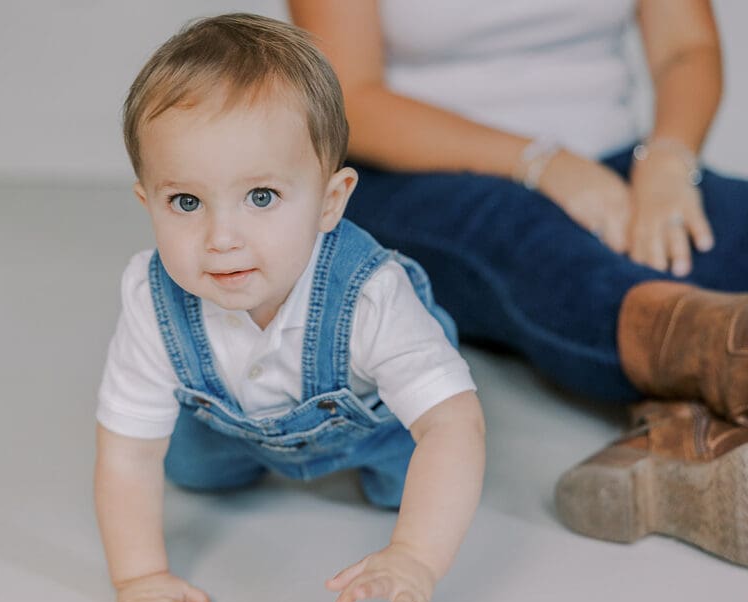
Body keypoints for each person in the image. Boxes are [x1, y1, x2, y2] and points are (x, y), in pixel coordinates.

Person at [289, 0, 748, 565]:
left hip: (615, 164)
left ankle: (679, 433)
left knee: (726, 222)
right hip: (421, 178)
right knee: (535, 244)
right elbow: (348, 95)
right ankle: (724, 363)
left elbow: (686, 48)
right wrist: (543, 163)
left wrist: (669, 161)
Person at [95, 13, 486, 602]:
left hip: (376, 422)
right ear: (148, 204)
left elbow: (452, 425)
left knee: (424, 475)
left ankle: (425, 383)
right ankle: (240, 454)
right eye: (186, 203)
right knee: (189, 469)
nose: (222, 238)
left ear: (330, 200)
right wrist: (139, 576)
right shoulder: (152, 296)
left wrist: (415, 553)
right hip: (236, 424)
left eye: (262, 197)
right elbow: (127, 451)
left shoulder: (367, 294)